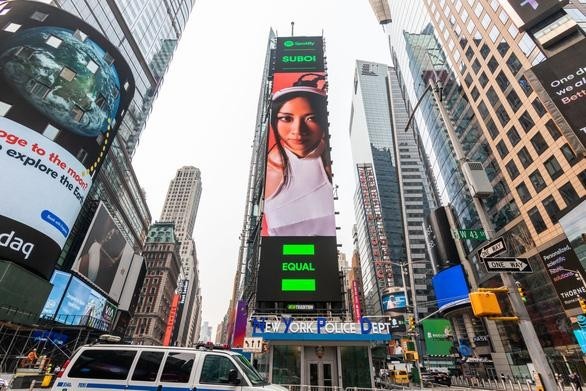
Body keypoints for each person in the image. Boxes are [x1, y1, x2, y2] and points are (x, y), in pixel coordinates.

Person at [263, 73, 335, 237]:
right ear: (275, 121)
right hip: (282, 258)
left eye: (311, 118)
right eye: (287, 118)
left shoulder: (329, 164)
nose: (298, 131)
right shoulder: (267, 171)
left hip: (323, 258)